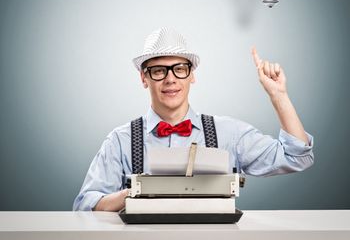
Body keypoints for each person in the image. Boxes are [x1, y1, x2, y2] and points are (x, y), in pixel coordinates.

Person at [73, 27, 314, 212]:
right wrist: (134, 193)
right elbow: (86, 204)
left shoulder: (227, 133)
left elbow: (296, 157)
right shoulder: (120, 140)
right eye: (158, 71)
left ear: (192, 76)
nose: (170, 79)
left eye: (179, 68)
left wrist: (278, 96)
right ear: (144, 78)